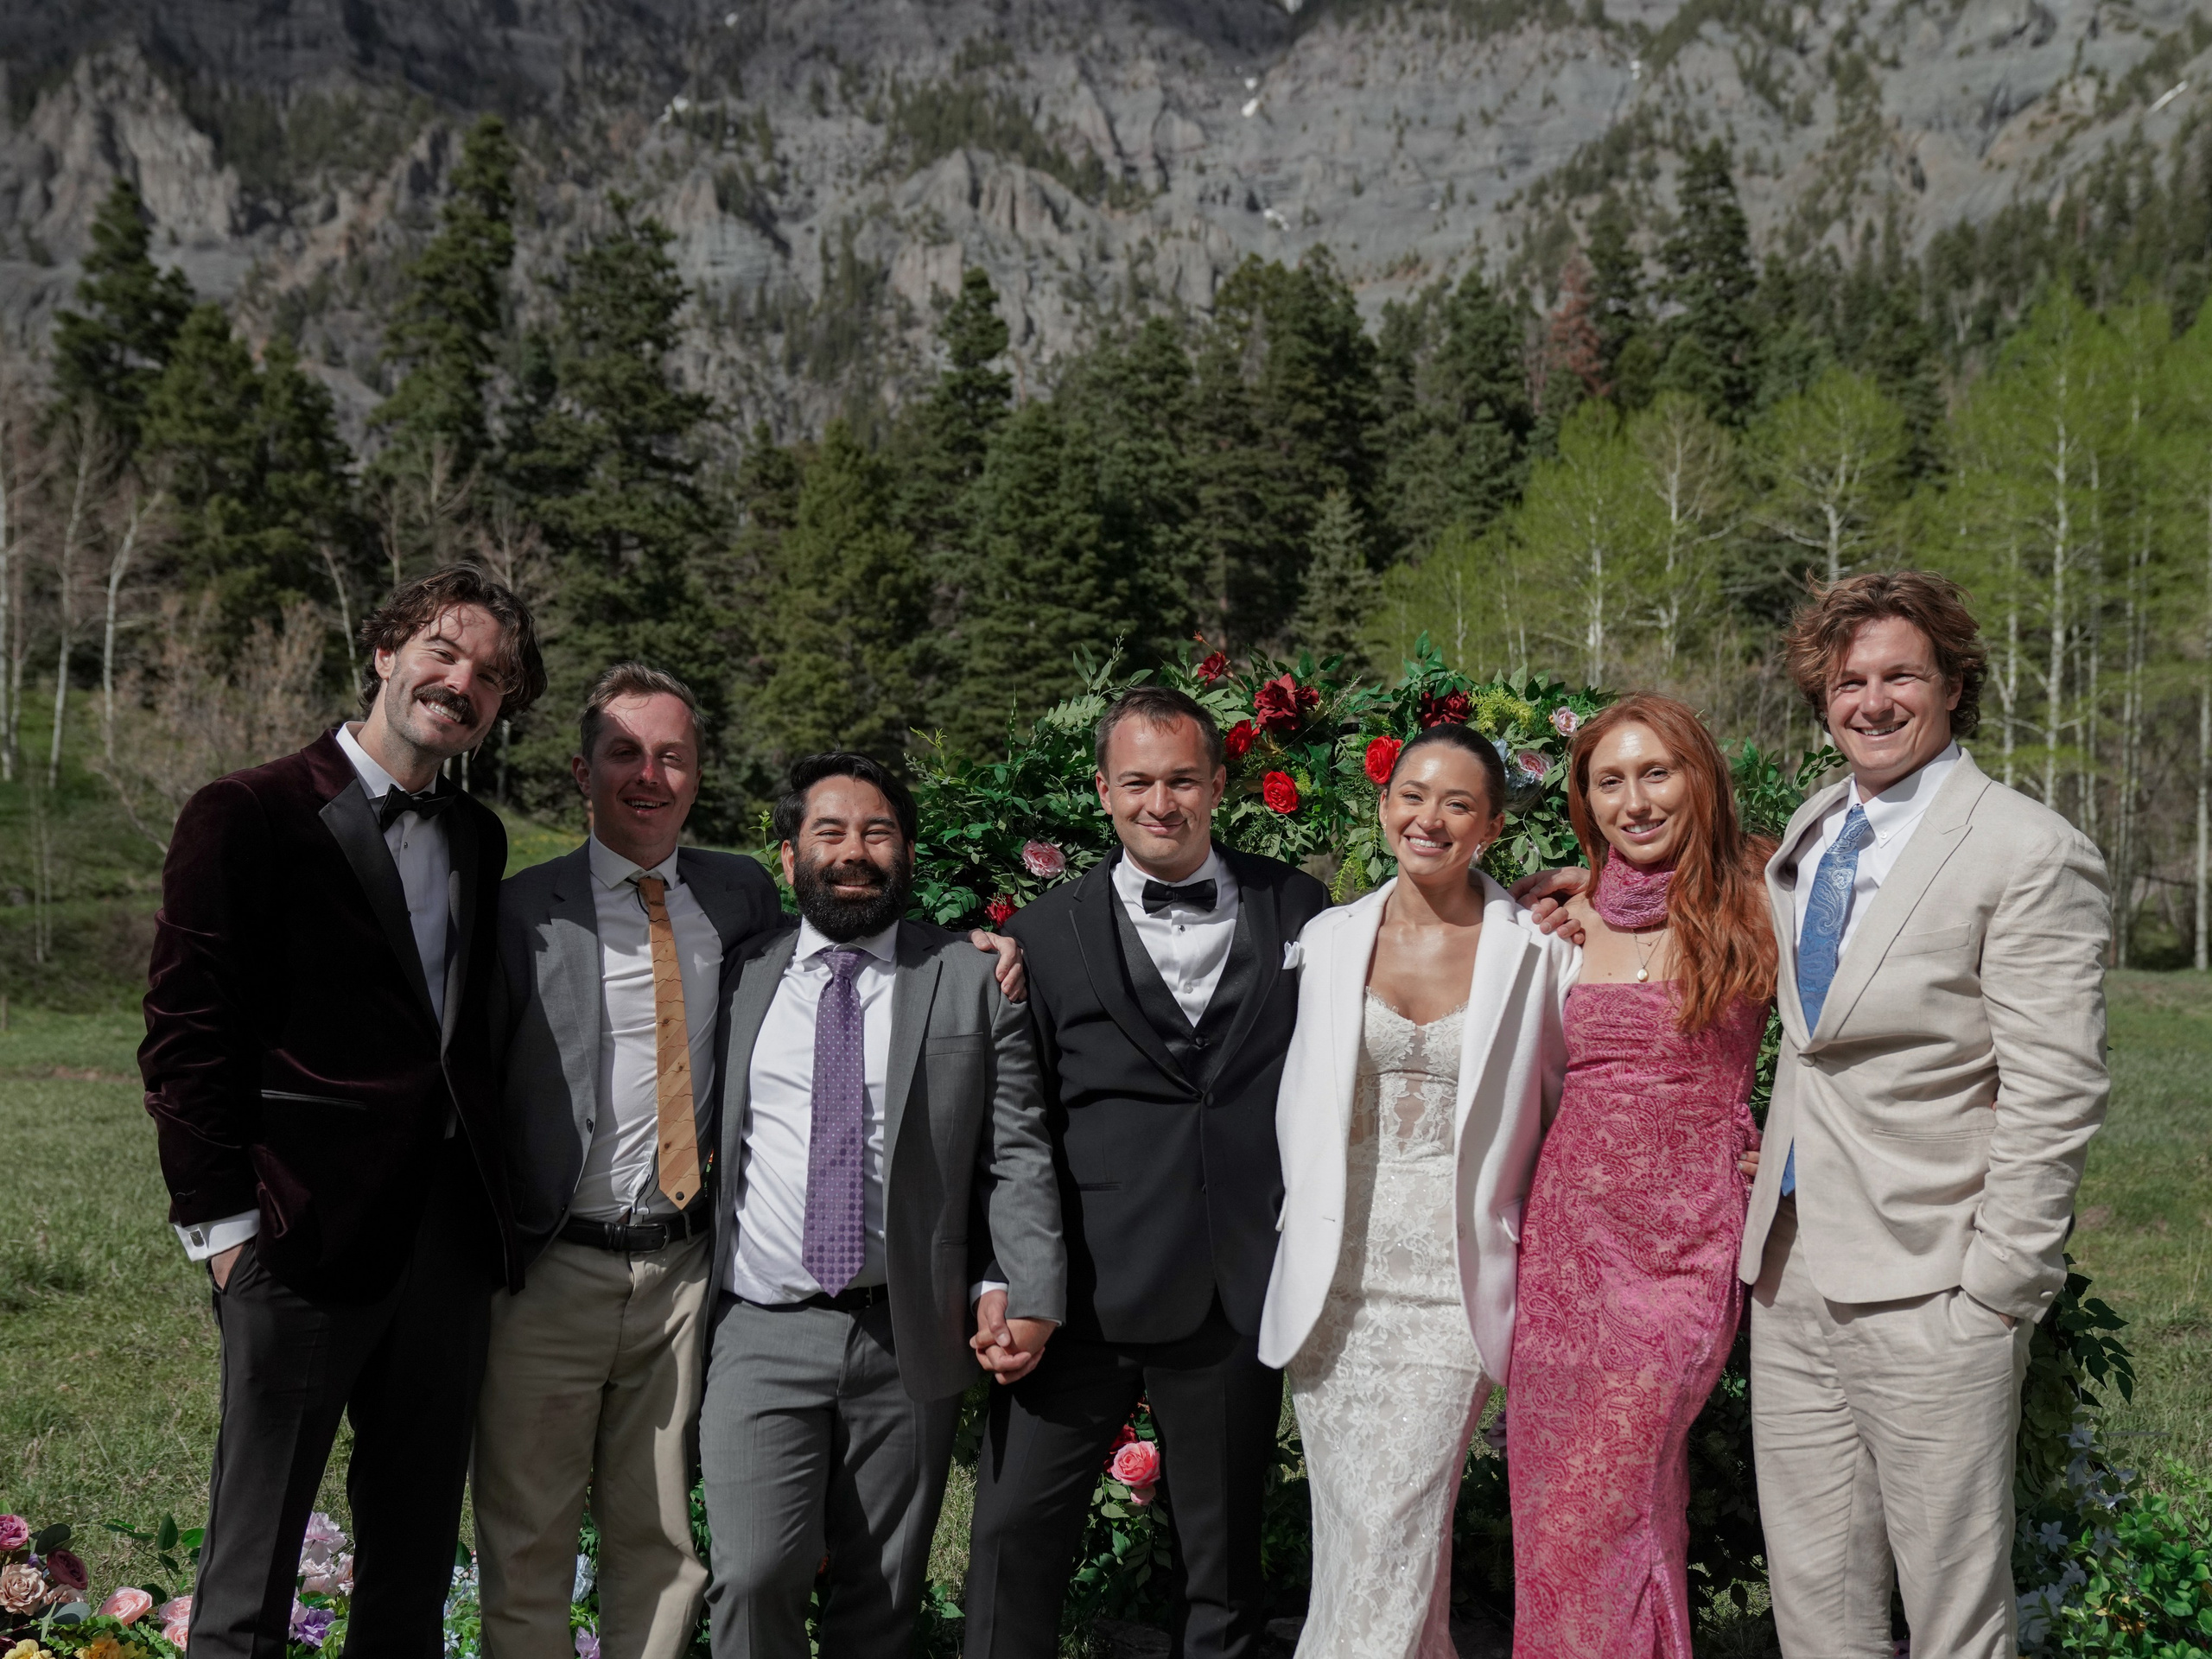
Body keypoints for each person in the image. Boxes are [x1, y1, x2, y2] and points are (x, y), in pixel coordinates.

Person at [141, 565, 546, 1659]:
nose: (462, 683)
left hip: (446, 1246)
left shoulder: (478, 838)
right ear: (385, 650)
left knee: (412, 1561)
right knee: (251, 1563)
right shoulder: (245, 814)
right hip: (295, 1233)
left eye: (492, 677)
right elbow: (186, 1037)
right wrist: (223, 1236)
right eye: (444, 652)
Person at [1740, 572, 2108, 1658]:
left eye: (1901, 673)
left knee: (1952, 1612)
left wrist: (1998, 1289)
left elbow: (2057, 1089)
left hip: (1937, 1278)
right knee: (1817, 1601)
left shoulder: (2027, 849)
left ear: (1951, 685)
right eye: (1848, 680)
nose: (1873, 699)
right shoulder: (1815, 828)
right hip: (1792, 1265)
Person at [963, 685, 1332, 1659]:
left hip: (1230, 1286)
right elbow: (1014, 1125)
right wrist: (1003, 1275)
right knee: (1008, 1537)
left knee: (1221, 1569)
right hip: (1077, 1289)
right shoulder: (1041, 934)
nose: (1158, 803)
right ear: (1102, 790)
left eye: (1180, 780)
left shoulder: (1298, 904)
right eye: (1136, 782)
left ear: (1218, 783)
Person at [698, 752, 1064, 1659]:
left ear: (906, 852)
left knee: (883, 1594)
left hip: (905, 1331)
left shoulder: (972, 978)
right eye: (828, 832)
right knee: (751, 1574)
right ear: (788, 857)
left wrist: (1026, 1286)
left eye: (877, 832)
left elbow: (1014, 1151)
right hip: (759, 1327)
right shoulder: (737, 979)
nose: (853, 852)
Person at [473, 664, 783, 1659]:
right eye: (624, 754)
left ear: (697, 774)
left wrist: (979, 950)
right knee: (527, 1538)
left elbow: (845, 954)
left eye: (671, 756)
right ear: (581, 770)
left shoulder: (741, 895)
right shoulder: (521, 912)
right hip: (549, 1271)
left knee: (660, 1538)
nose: (648, 776)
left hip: (686, 1274)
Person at [1260, 724, 1574, 1659]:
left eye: (1456, 803)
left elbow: (1568, 1103)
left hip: (1451, 1283)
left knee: (1395, 1521)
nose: (1426, 817)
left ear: (1491, 826)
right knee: (1360, 1539)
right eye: (1411, 794)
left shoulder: (1540, 950)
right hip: (1333, 1281)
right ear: (1384, 803)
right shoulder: (1327, 939)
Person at [1504, 695, 1775, 1658]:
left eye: (1656, 773)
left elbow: (1853, 1042)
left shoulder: (1762, 901)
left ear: (1698, 776)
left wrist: (1787, 1152)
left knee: (1609, 1491)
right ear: (1583, 799)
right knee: (1553, 1506)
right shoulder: (1561, 917)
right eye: (1609, 781)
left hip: (1683, 1247)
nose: (1635, 800)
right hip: (1565, 1253)